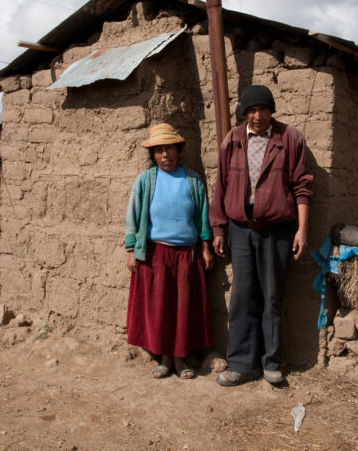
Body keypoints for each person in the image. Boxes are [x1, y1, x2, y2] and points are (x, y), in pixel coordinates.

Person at [210, 85, 313, 386]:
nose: (257, 116)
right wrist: (219, 228)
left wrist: (302, 230)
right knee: (243, 297)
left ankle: (270, 362)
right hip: (240, 230)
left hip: (277, 231)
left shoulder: (290, 139)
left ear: (271, 110)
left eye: (262, 110)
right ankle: (242, 364)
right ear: (245, 113)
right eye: (251, 111)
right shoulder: (233, 141)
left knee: (272, 297)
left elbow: (302, 187)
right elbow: (221, 187)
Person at [125, 123, 214, 379]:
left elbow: (202, 217)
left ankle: (181, 358)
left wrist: (205, 246)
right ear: (153, 155)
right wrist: (131, 251)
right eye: (159, 150)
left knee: (183, 308)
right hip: (156, 255)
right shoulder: (145, 181)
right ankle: (164, 358)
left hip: (187, 254)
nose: (165, 155)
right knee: (160, 308)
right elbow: (132, 216)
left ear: (179, 151)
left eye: (170, 149)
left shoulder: (192, 180)